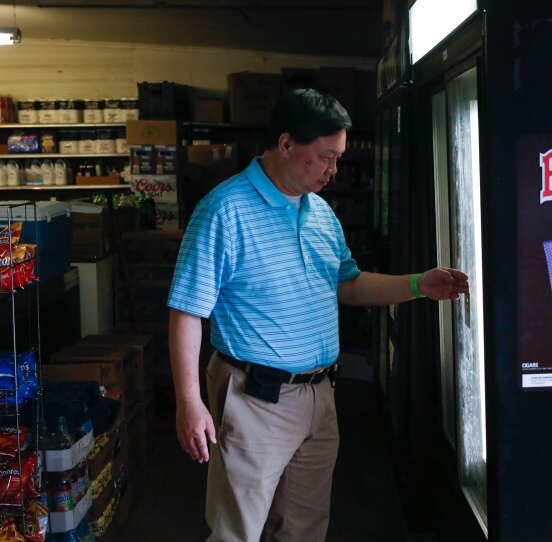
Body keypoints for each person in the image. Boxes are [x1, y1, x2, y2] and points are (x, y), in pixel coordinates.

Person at [167, 88, 469, 542]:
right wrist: (188, 402)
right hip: (254, 398)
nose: (333, 169)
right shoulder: (223, 211)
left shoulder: (321, 213)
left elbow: (346, 284)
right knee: (238, 531)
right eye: (326, 156)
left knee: (305, 529)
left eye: (338, 158)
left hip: (320, 395)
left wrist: (416, 285)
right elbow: (187, 311)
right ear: (286, 144)